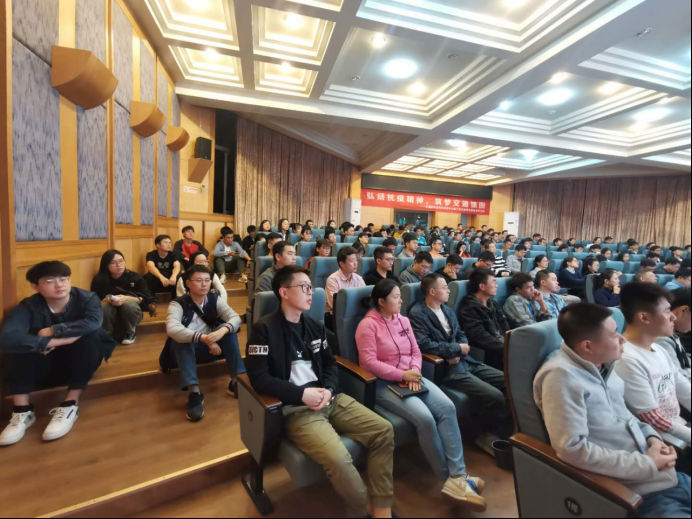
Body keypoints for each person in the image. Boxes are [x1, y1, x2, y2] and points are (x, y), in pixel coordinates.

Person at [246, 266, 395, 518]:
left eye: (310, 287)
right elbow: (259, 379)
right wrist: (301, 395)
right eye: (304, 287)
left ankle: (381, 506)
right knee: (338, 458)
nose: (311, 293)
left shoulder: (315, 326)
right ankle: (364, 508)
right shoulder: (264, 330)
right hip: (298, 409)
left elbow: (330, 364)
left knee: (383, 430)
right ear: (284, 292)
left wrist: (329, 389)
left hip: (331, 399)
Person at [533, 303, 688, 518]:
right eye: (614, 334)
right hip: (639, 493)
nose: (622, 339)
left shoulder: (603, 365)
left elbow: (625, 416)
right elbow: (572, 449)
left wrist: (653, 438)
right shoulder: (561, 378)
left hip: (667, 477)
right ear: (588, 346)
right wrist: (648, 463)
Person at [356, 279, 487, 510]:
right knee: (425, 418)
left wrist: (415, 372)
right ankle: (447, 479)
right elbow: (369, 363)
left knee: (447, 407)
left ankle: (458, 475)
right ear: (381, 301)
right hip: (384, 384)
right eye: (396, 297)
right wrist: (402, 374)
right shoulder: (367, 326)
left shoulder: (403, 320)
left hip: (413, 377)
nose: (401, 300)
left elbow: (416, 351)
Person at [0, 261, 116, 446]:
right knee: (17, 347)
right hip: (46, 361)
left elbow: (93, 323)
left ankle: (70, 405)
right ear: (35, 286)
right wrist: (52, 341)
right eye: (50, 281)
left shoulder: (87, 298)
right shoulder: (29, 305)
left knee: (91, 337)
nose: (59, 285)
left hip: (81, 361)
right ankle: (22, 411)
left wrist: (53, 330)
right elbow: (8, 337)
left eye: (64, 279)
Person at [409, 273, 510, 443]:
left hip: (466, 360)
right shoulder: (418, 313)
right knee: (495, 396)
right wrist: (455, 349)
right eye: (444, 287)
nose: (449, 291)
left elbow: (460, 334)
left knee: (508, 381)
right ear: (432, 291)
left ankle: (499, 429)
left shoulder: (446, 309)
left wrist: (459, 349)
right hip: (449, 368)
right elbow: (424, 344)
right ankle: (482, 434)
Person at [616, 282, 691, 449]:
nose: (673, 317)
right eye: (667, 311)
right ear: (644, 317)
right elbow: (653, 418)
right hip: (662, 442)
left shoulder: (658, 348)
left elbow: (683, 388)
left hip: (679, 427)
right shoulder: (626, 359)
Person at [165, 265, 244, 421]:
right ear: (188, 283)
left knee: (229, 330)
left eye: (207, 280)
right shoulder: (177, 304)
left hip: (212, 349)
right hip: (185, 353)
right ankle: (194, 393)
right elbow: (172, 329)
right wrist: (203, 338)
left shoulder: (214, 299)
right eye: (199, 280)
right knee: (182, 339)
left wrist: (222, 331)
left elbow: (235, 317)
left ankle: (237, 381)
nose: (204, 284)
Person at [91, 249, 155, 345]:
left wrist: (127, 298)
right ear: (106, 265)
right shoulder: (99, 280)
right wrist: (106, 300)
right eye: (113, 262)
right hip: (110, 314)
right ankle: (106, 334)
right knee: (104, 307)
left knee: (128, 305)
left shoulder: (135, 277)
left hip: (131, 313)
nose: (118, 265)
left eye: (121, 261)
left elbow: (147, 299)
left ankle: (130, 332)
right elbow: (94, 302)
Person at [459, 268, 511, 370]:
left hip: (503, 345)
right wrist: (506, 347)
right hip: (490, 351)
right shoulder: (469, 307)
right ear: (482, 286)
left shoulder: (493, 303)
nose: (497, 285)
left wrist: (512, 342)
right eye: (493, 282)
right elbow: (479, 336)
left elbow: (505, 324)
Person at [656, 288, 691, 383]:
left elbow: (686, 362)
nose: (672, 317)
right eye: (667, 311)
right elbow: (678, 379)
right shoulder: (661, 340)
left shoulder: (673, 335)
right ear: (682, 310)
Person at [325, 246, 365, 313]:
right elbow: (335, 305)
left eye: (356, 260)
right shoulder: (332, 280)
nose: (356, 263)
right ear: (342, 264)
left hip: (356, 313)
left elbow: (364, 299)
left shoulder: (358, 278)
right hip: (338, 315)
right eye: (352, 261)